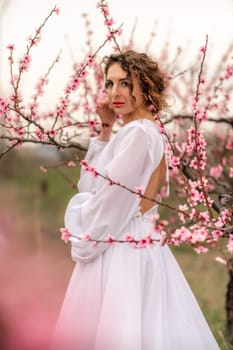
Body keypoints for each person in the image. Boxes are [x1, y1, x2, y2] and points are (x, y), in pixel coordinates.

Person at [51, 50, 220, 349]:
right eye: (109, 84)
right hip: (130, 241)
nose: (115, 92)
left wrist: (79, 220)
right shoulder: (134, 132)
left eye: (125, 83)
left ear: (145, 86)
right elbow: (91, 184)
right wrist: (105, 130)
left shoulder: (139, 134)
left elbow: (107, 203)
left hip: (121, 249)